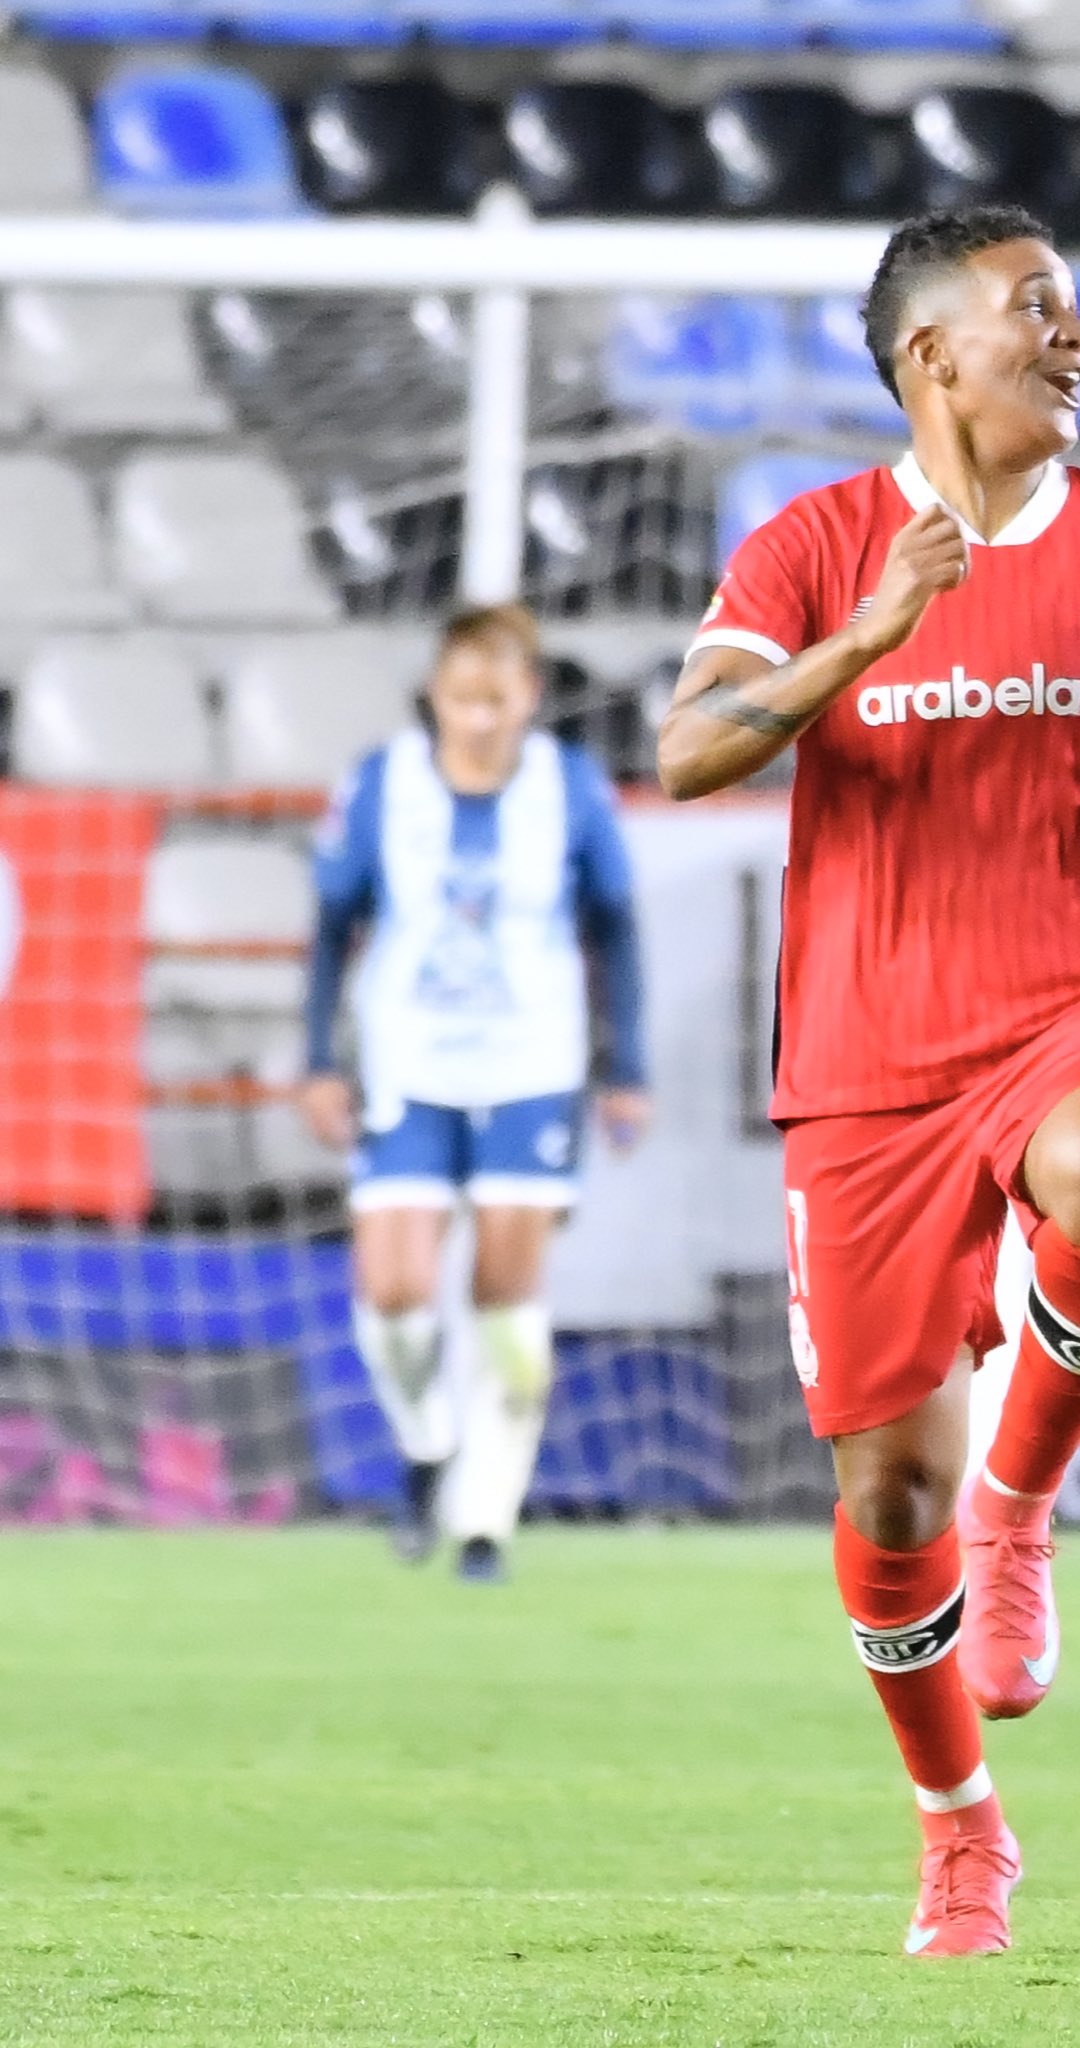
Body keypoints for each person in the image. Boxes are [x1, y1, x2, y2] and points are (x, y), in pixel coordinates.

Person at [658, 205, 1080, 1956]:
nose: (1074, 338)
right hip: (864, 1061)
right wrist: (862, 638)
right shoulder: (813, 544)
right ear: (933, 354)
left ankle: (1028, 1497)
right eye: (1038, 313)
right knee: (882, 1500)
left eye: (1076, 313)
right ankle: (958, 1831)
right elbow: (688, 746)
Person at [302, 602, 650, 1583]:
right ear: (436, 697)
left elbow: (616, 926)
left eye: (498, 698)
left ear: (528, 696)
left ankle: (488, 1513)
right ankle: (424, 1442)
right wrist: (319, 1059)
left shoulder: (569, 789)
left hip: (530, 1067)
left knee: (504, 1291)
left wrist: (627, 1070)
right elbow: (331, 926)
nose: (481, 718)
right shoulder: (383, 785)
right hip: (409, 1064)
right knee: (397, 1286)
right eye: (463, 699)